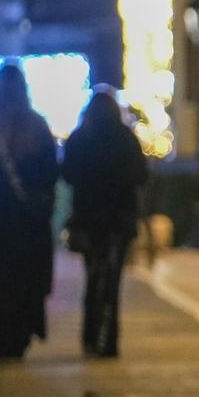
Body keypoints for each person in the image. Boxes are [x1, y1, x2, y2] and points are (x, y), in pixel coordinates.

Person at [0, 62, 60, 360]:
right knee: (24, 284)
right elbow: (50, 173)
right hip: (28, 223)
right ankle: (18, 338)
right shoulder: (36, 126)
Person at [61, 87, 150, 358]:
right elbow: (142, 175)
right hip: (119, 218)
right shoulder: (126, 138)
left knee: (92, 274)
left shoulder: (80, 137)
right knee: (113, 280)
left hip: (88, 218)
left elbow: (67, 174)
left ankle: (89, 335)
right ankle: (109, 340)